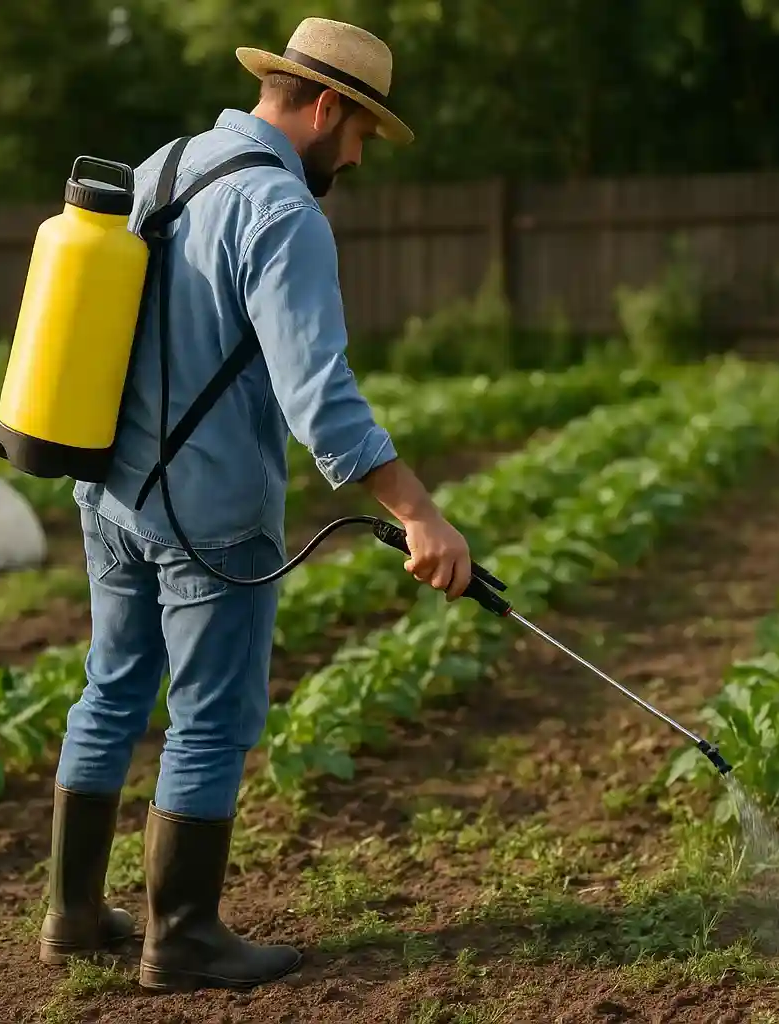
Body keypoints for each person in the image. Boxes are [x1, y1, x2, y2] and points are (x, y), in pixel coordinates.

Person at [35, 18, 472, 992]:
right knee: (210, 717)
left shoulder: (162, 165)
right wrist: (417, 512)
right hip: (213, 517)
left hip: (108, 493)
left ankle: (72, 915)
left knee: (110, 687)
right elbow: (321, 398)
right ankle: (181, 935)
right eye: (361, 133)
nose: (357, 156)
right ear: (326, 107)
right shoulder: (281, 212)